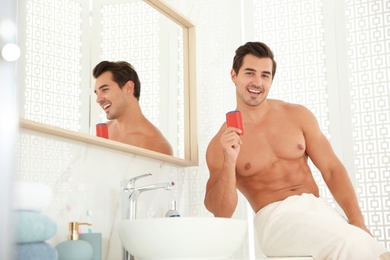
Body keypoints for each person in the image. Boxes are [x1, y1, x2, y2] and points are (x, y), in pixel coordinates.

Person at [204, 41, 390, 259]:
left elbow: (331, 169)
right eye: (250, 73)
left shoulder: (297, 115)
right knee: (350, 243)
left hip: (318, 209)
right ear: (234, 75)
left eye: (265, 75)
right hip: (275, 219)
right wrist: (229, 160)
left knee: (366, 244)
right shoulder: (222, 142)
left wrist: (358, 221)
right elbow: (221, 211)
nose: (257, 82)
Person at [93, 61, 173, 156]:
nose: (98, 100)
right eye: (97, 93)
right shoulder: (104, 132)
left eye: (105, 90)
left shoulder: (155, 146)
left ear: (128, 88)